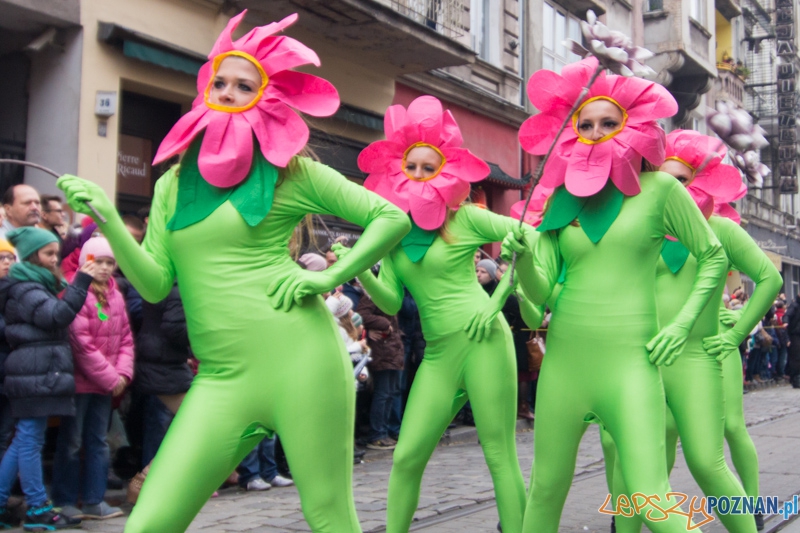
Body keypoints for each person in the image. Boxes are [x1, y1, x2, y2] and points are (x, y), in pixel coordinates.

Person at [58, 10, 409, 533]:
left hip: (301, 362)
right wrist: (107, 217)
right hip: (221, 379)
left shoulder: (293, 171)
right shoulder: (172, 183)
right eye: (217, 81)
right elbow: (154, 281)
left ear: (266, 97)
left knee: (329, 516)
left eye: (242, 85)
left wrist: (325, 278)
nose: (225, 91)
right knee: (149, 522)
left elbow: (391, 217)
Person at [504, 58, 727, 533]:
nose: (597, 130)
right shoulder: (562, 198)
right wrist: (522, 258)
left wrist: (683, 322)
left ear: (634, 125)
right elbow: (541, 298)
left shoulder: (661, 188)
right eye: (585, 124)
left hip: (630, 364)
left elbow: (713, 256)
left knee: (650, 498)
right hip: (565, 364)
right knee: (544, 492)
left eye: (609, 121)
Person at [335, 95, 533, 533]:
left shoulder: (466, 219)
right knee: (407, 456)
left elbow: (528, 241)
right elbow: (389, 301)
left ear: (446, 170)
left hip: (484, 338)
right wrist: (360, 270)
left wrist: (499, 299)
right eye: (413, 167)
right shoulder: (394, 233)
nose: (421, 175)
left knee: (497, 451)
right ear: (398, 170)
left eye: (431, 167)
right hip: (440, 352)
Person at [607, 129, 780, 533]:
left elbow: (769, 278)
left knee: (707, 459)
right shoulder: (639, 225)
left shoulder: (720, 229)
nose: (669, 187)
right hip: (641, 357)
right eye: (661, 176)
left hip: (697, 357)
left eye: (681, 179)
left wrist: (736, 333)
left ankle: (749, 515)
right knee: (633, 456)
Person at [0, 227, 96, 530]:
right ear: (32, 256)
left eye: (56, 253)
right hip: (34, 371)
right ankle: (38, 507)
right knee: (30, 440)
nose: (55, 259)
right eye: (48, 253)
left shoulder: (33, 284)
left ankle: (1, 501)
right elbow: (57, 316)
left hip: (37, 369)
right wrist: (81, 282)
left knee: (24, 440)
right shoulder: (26, 288)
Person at [51, 237, 134, 520]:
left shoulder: (115, 295)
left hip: (105, 384)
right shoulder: (75, 290)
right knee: (72, 441)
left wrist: (122, 373)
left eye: (109, 262)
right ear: (86, 261)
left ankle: (93, 500)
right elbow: (80, 341)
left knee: (98, 441)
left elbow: (125, 339)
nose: (104, 267)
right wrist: (111, 377)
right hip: (80, 382)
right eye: (98, 261)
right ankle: (64, 500)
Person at [356, 288, 404, 450]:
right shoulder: (373, 292)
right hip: (382, 349)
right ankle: (377, 434)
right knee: (383, 393)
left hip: (392, 348)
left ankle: (384, 431)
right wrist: (384, 324)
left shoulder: (389, 293)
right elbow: (361, 314)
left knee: (391, 392)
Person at [0, 241, 15, 460]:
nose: (6, 263)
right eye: (1, 258)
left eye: (10, 258)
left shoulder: (16, 289)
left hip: (10, 373)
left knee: (5, 434)